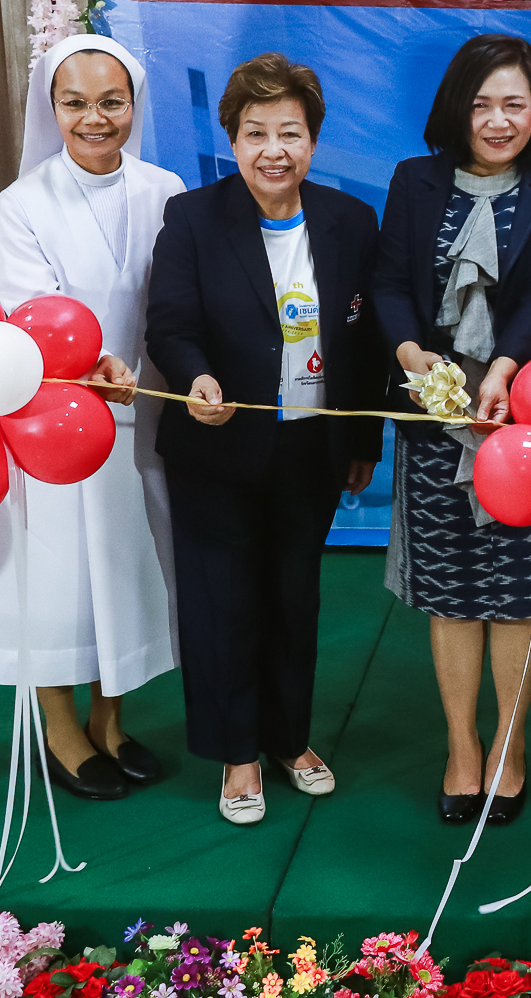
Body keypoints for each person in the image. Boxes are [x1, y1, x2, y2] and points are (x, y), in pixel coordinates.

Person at [145, 52, 385, 826]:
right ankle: (237, 752)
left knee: (294, 597)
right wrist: (195, 377)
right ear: (232, 138)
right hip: (216, 447)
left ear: (313, 139)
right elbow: (170, 324)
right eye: (256, 132)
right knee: (224, 602)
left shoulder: (349, 221)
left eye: (290, 132)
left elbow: (367, 340)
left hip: (311, 446)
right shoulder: (193, 217)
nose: (273, 150)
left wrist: (363, 440)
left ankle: (288, 738)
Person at [372, 34, 531, 829]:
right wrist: (411, 355)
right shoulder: (414, 180)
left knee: (517, 587)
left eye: (514, 105)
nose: (499, 120)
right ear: (455, 110)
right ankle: (462, 744)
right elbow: (388, 282)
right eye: (482, 104)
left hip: (528, 408)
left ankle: (510, 740)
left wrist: (502, 369)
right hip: (435, 411)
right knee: (453, 589)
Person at [0, 34, 186, 799]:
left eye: (111, 101)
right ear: (52, 108)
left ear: (134, 104)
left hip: (147, 409)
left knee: (128, 566)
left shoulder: (165, 188)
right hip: (56, 418)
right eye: (75, 103)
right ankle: (59, 727)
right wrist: (93, 361)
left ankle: (110, 720)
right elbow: (31, 310)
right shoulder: (25, 202)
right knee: (58, 575)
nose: (94, 118)